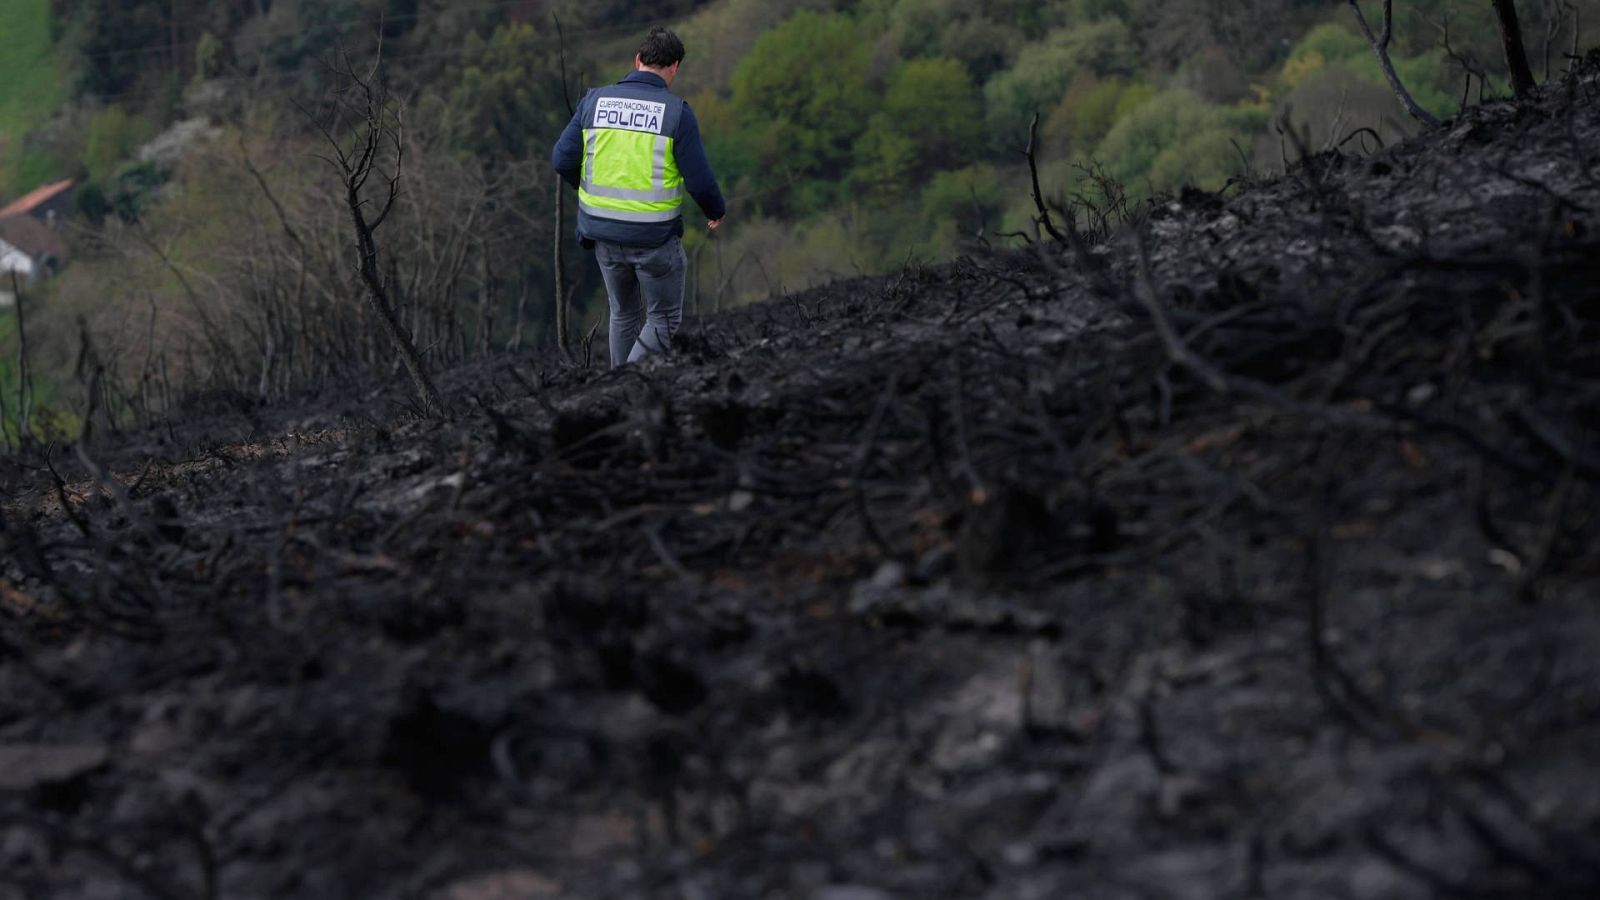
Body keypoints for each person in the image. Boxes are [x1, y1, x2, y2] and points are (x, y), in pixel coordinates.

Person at [551, 26, 726, 368]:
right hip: (653, 239)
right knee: (663, 319)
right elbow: (700, 180)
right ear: (675, 67)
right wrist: (714, 210)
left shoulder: (594, 100)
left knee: (624, 314)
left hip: (601, 232)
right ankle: (625, 385)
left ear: (638, 60)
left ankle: (618, 389)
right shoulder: (677, 114)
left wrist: (585, 187)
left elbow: (561, 160)